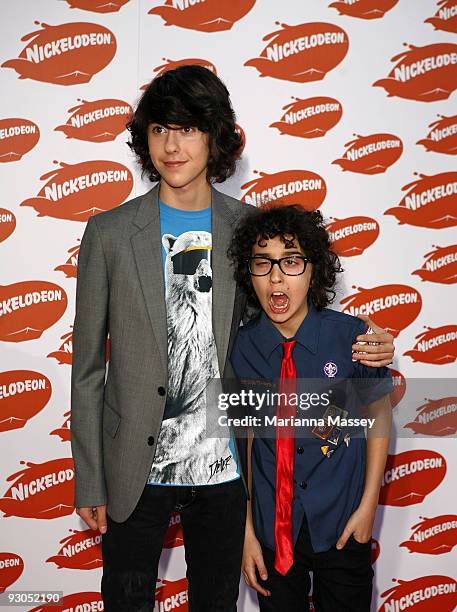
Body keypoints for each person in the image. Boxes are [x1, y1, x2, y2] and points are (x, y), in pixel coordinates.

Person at [70, 66, 394, 611]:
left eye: (189, 128)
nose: (172, 145)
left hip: (225, 474)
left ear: (216, 136)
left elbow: (287, 319)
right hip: (132, 468)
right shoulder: (107, 234)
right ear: (144, 138)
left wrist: (370, 345)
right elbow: (86, 370)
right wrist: (89, 480)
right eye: (158, 129)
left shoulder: (247, 229)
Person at [228, 204, 393, 612]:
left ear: (314, 269)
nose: (277, 278)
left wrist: (368, 504)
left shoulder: (351, 338)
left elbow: (378, 416)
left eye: (291, 261)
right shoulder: (241, 348)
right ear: (250, 274)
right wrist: (247, 530)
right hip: (272, 530)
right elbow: (241, 444)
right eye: (263, 264)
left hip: (342, 522)